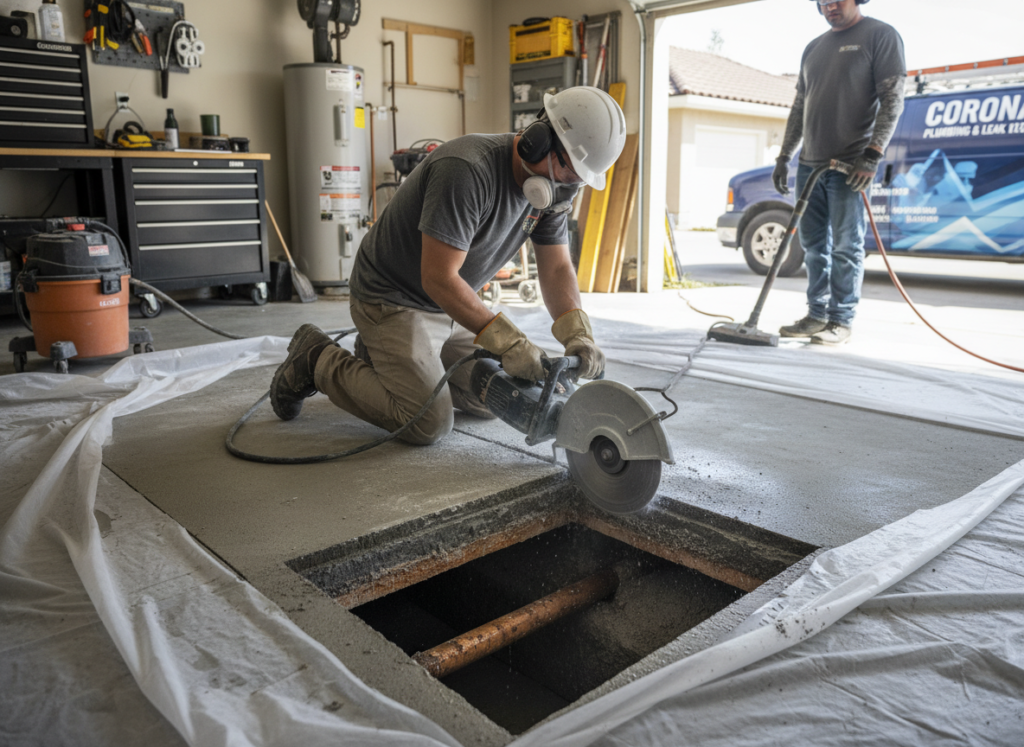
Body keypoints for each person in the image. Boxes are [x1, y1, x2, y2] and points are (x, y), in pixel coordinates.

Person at [269, 86, 627, 444]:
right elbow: (438, 278)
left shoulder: (554, 191)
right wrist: (511, 343)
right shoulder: (467, 169)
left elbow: (556, 269)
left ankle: (385, 363)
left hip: (449, 305)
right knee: (428, 422)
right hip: (392, 298)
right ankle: (316, 359)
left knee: (499, 396)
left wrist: (577, 334)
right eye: (570, 170)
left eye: (580, 178)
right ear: (537, 138)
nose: (570, 185)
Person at [774, 0, 905, 345]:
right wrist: (784, 155)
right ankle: (817, 315)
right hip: (809, 163)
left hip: (850, 163)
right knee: (813, 245)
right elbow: (800, 106)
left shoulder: (880, 35)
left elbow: (893, 99)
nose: (830, 5)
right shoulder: (813, 48)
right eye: (823, 1)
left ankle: (841, 320)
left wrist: (873, 153)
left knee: (846, 245)